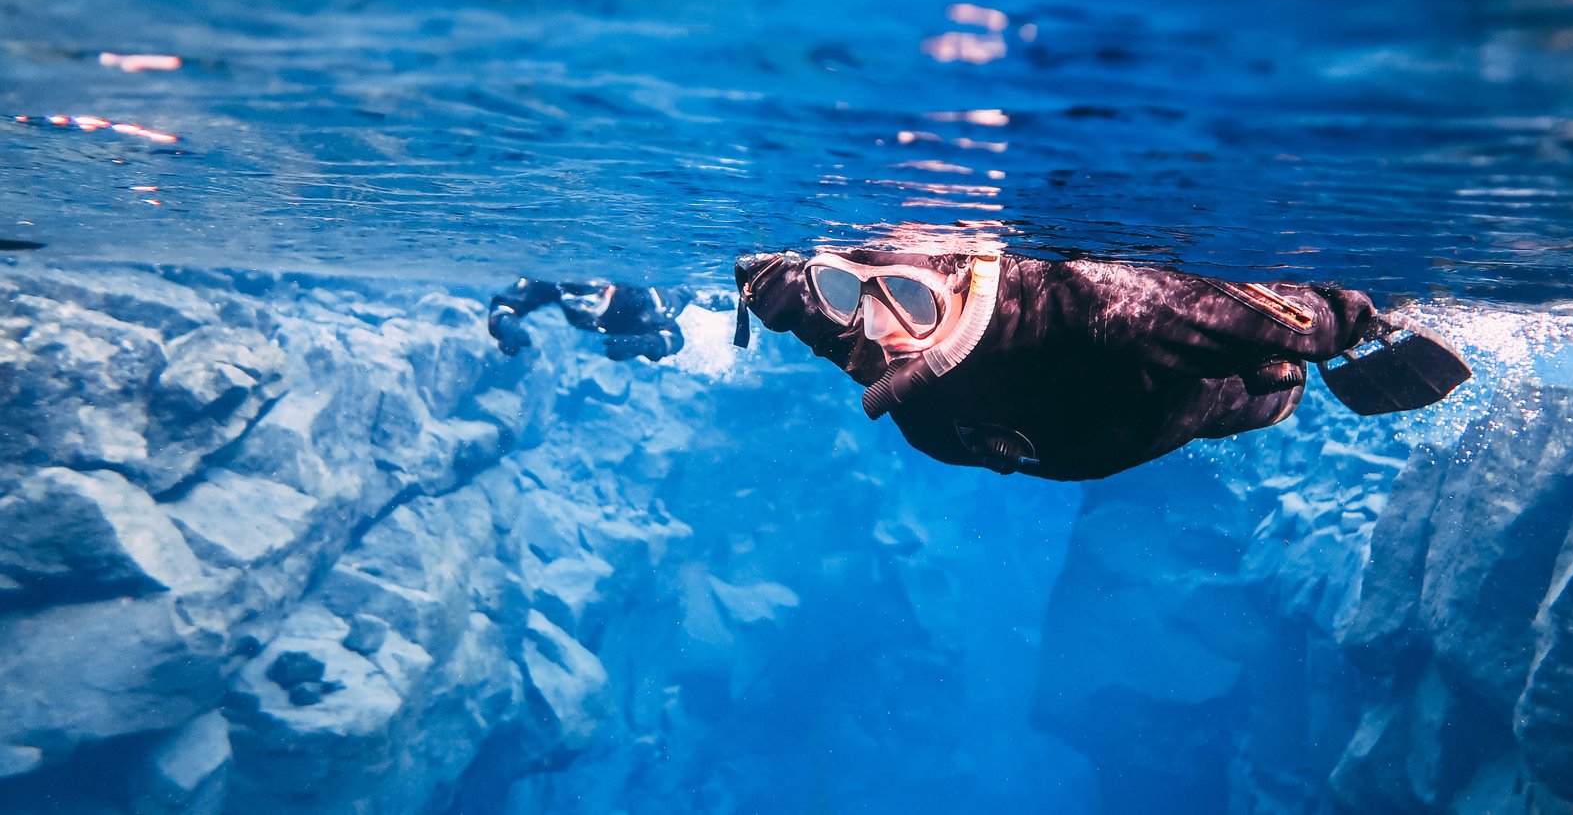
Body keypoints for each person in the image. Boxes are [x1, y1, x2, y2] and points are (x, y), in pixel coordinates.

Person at [732, 248, 1471, 481]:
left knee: (1268, 374)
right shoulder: (868, 330)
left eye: (912, 302)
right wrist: (777, 290)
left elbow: (1311, 322)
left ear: (961, 279)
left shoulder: (1101, 305)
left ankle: (1271, 377)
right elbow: (818, 313)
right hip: (1071, 433)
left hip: (1187, 400)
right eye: (846, 294)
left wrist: (1355, 320)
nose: (884, 333)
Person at [486, 277, 696, 362]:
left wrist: (643, 344)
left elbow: (674, 337)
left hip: (685, 301)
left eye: (588, 304)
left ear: (608, 291)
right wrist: (504, 323)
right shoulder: (558, 288)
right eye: (572, 304)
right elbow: (513, 299)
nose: (582, 310)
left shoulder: (636, 303)